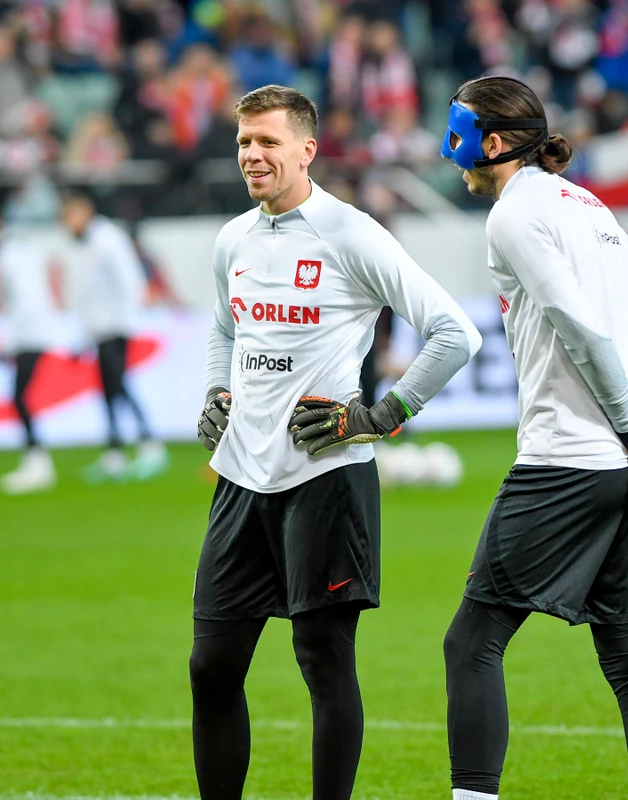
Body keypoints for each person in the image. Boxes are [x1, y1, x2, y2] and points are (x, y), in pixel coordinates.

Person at [190, 85, 482, 800]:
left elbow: (456, 333)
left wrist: (383, 415)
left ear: (306, 151)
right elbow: (228, 329)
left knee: (322, 660)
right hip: (241, 480)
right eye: (243, 143)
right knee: (210, 668)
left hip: (326, 481)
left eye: (268, 143)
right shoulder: (234, 238)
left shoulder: (351, 234)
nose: (253, 156)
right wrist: (215, 391)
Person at [437, 76, 628, 800]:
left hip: (567, 457)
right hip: (626, 466)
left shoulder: (513, 217)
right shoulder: (591, 207)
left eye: (461, 129)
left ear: (492, 143)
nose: (453, 145)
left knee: (472, 643)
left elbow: (579, 326)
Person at [59, 191, 167, 483]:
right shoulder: (84, 245)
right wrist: (84, 335)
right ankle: (118, 451)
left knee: (116, 385)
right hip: (99, 328)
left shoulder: (107, 239)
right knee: (109, 388)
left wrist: (126, 323)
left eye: (70, 215)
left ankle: (147, 445)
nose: (67, 223)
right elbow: (85, 295)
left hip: (116, 326)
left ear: (85, 211)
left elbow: (129, 280)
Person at [0, 202, 59, 494]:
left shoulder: (10, 257)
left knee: (19, 397)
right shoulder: (17, 252)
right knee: (20, 396)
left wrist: (8, 342)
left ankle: (38, 463)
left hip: (29, 335)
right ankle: (36, 460)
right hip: (31, 333)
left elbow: (22, 301)